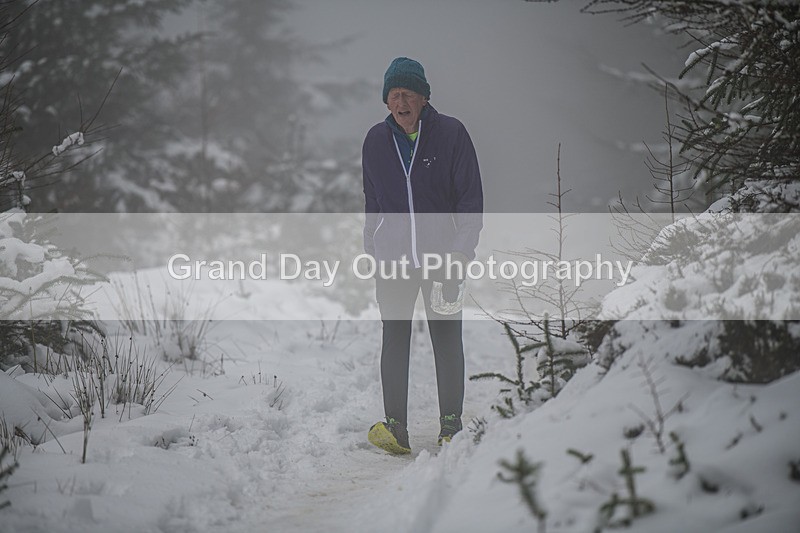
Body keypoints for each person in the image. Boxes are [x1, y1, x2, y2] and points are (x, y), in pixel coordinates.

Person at [362, 57, 483, 455]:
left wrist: (461, 254)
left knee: (446, 339)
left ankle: (451, 425)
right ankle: (396, 427)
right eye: (394, 94)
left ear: (424, 97)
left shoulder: (451, 134)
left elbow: (470, 203)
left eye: (408, 93)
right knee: (394, 339)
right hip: (393, 262)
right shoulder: (375, 142)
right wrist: (372, 247)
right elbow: (373, 203)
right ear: (386, 101)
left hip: (443, 260)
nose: (401, 101)